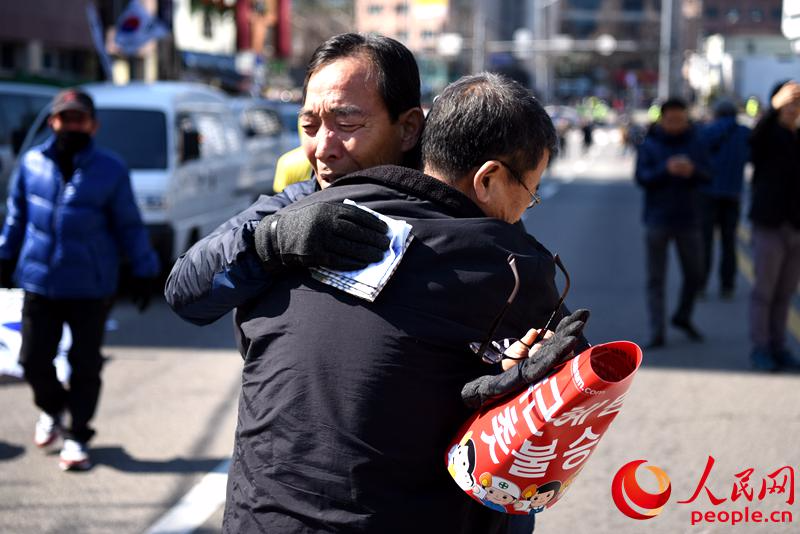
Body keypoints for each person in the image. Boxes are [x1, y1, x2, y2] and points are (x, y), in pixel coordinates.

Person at [221, 72, 587, 533]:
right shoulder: (507, 262)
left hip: (256, 517)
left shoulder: (306, 218)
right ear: (488, 179)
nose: (525, 210)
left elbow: (251, 336)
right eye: (529, 193)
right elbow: (578, 396)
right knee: (516, 503)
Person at [165, 33, 425, 326]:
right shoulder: (292, 208)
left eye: (347, 124)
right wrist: (269, 243)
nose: (324, 149)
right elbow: (184, 292)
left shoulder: (445, 215)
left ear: (408, 129)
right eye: (310, 126)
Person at [0, 88, 159, 471]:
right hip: (40, 284)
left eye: (78, 118)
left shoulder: (111, 169)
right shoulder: (32, 164)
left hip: (91, 286)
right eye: (64, 118)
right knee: (33, 362)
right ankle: (53, 410)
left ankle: (77, 435)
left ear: (92, 124)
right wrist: (4, 256)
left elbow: (129, 225)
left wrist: (145, 271)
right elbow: (15, 218)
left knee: (85, 364)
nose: (71, 125)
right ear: (53, 121)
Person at [635, 97, 711, 348]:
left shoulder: (697, 141)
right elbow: (641, 177)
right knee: (655, 279)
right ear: (663, 119)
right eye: (671, 120)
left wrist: (693, 171)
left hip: (689, 218)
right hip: (658, 219)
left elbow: (710, 174)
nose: (676, 124)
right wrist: (665, 169)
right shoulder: (650, 143)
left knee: (696, 274)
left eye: (681, 119)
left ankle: (682, 316)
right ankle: (657, 330)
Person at [747, 80, 800, 372]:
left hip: (796, 226)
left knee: (785, 293)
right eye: (788, 103)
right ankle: (761, 348)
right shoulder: (767, 134)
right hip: (769, 224)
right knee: (764, 292)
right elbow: (753, 142)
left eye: (797, 103)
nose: (793, 109)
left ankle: (779, 346)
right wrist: (772, 109)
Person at [699, 99, 751, 298]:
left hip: (708, 193)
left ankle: (701, 285)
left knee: (705, 242)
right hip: (733, 194)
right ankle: (727, 286)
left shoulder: (707, 131)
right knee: (729, 243)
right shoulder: (744, 133)